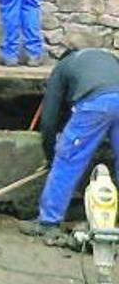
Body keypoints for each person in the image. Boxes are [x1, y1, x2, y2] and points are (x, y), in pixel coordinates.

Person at [21, 49, 119, 243]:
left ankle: (48, 223)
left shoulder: (62, 68)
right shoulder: (108, 57)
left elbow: (48, 121)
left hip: (95, 103)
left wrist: (52, 156)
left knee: (68, 160)